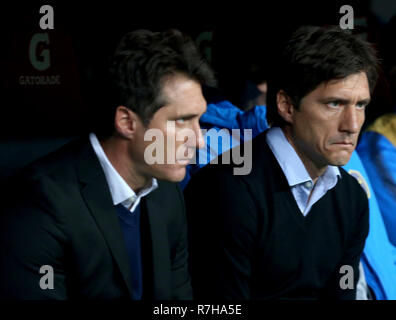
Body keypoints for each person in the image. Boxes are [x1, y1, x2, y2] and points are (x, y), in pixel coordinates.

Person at [0, 29, 216, 299]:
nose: (198, 141)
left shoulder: (168, 193)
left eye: (199, 120)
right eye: (181, 120)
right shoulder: (38, 205)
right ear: (126, 122)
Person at [184, 25, 379, 300]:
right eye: (335, 103)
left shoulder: (352, 198)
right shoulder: (227, 188)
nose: (353, 124)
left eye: (360, 105)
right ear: (286, 106)